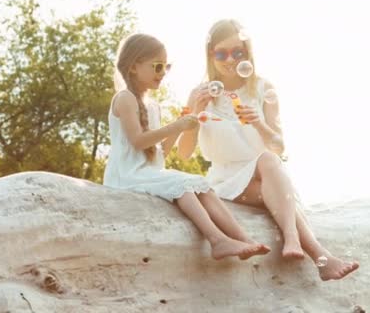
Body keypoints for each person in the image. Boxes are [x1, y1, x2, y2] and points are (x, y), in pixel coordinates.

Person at [177, 19, 359, 280]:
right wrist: (194, 114)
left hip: (267, 173)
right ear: (210, 54)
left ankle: (301, 244)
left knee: (269, 159)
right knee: (271, 171)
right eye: (221, 53)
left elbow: (278, 145)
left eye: (237, 53)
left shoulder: (262, 88)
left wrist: (259, 123)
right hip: (226, 179)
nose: (230, 59)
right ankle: (317, 253)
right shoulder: (200, 94)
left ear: (247, 54)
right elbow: (183, 153)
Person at [103, 33, 270, 260]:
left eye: (166, 67)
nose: (163, 73)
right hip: (125, 175)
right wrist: (175, 126)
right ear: (134, 67)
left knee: (200, 184)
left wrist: (184, 126)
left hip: (147, 172)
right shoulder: (124, 98)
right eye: (158, 66)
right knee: (183, 185)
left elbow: (159, 151)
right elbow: (138, 141)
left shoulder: (152, 106)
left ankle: (244, 240)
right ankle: (217, 240)